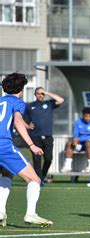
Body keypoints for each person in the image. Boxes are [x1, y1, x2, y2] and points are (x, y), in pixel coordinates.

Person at [0, 73, 53, 227]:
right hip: (3, 145)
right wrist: (31, 145)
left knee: (6, 173)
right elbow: (17, 120)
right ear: (21, 89)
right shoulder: (18, 102)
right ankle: (31, 214)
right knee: (34, 179)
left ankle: (1, 212)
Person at [23, 87, 64, 185]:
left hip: (47, 136)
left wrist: (46, 92)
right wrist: (27, 126)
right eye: (38, 93)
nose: (40, 95)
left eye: (42, 94)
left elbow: (61, 100)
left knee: (48, 159)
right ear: (35, 94)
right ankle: (39, 180)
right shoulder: (29, 106)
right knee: (36, 160)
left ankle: (42, 175)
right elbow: (20, 119)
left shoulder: (49, 104)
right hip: (35, 136)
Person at [61, 107, 90, 173]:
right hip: (81, 145)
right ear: (83, 115)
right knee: (69, 143)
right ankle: (67, 165)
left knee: (88, 142)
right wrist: (74, 140)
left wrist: (79, 139)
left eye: (89, 116)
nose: (87, 118)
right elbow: (75, 134)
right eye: (86, 116)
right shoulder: (78, 122)